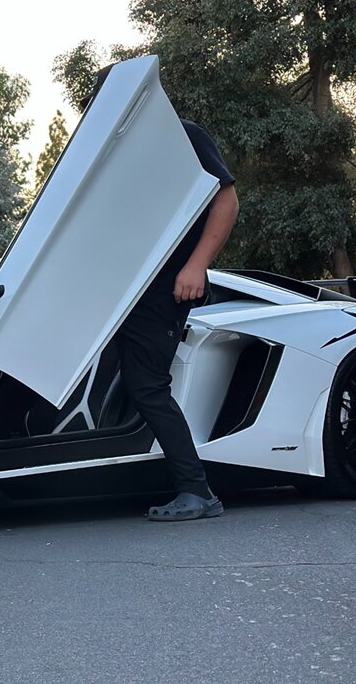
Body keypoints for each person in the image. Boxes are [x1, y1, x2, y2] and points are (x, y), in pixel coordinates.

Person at [82, 75, 239, 522]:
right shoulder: (113, 155)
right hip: (121, 292)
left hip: (165, 288)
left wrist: (196, 265)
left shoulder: (183, 137)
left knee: (146, 384)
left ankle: (197, 490)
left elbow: (226, 200)